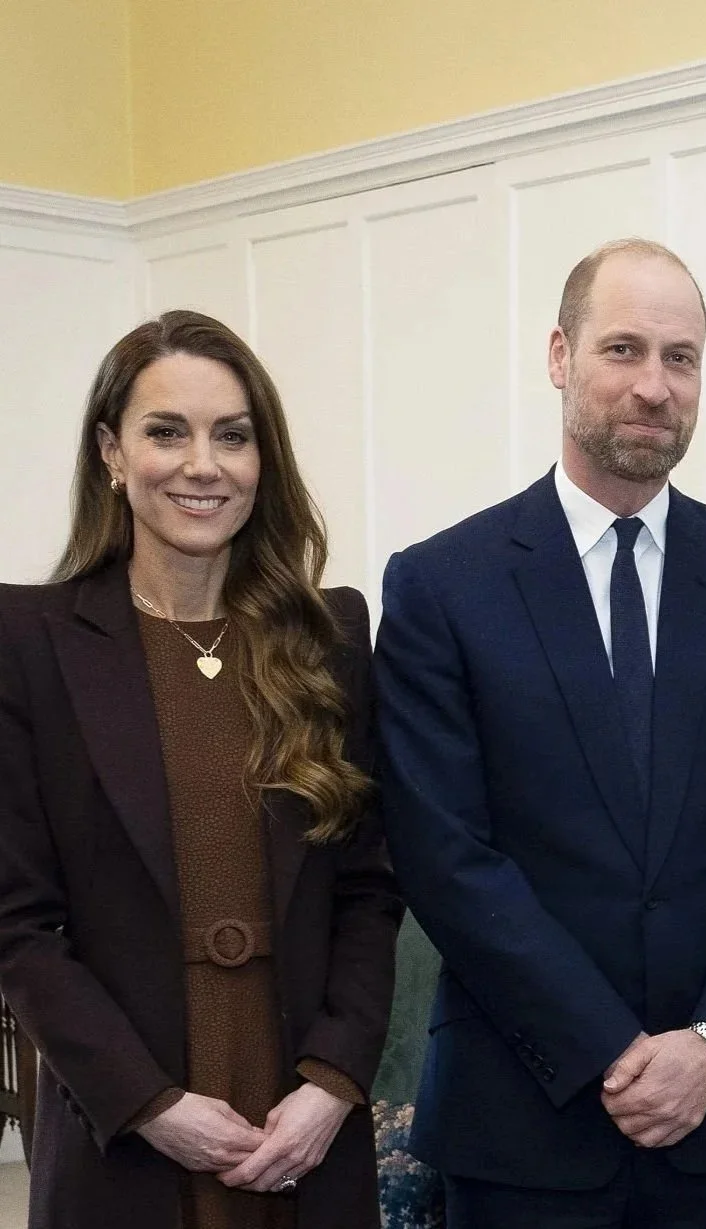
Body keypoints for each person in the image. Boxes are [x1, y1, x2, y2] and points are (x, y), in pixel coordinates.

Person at [373, 237, 706, 1228]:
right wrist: (611, 1050)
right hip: (517, 1112)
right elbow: (445, 853)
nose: (653, 386)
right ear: (559, 356)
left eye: (680, 358)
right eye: (622, 349)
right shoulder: (442, 584)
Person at [0, 310, 403, 1229]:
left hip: (304, 1119)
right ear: (112, 452)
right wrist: (148, 1104)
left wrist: (334, 1080)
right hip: (127, 1129)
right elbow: (16, 923)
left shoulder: (330, 636)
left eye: (232, 435)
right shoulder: (29, 641)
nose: (202, 464)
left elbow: (370, 886)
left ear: (264, 459)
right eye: (165, 432)